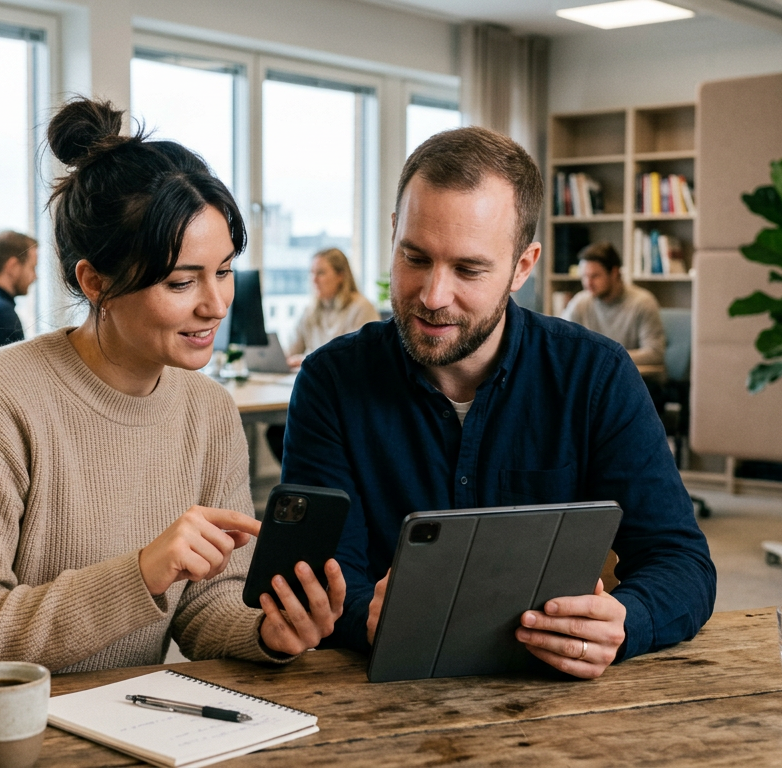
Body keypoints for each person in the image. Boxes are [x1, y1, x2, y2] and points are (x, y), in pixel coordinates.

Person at [0, 98, 346, 687]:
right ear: (94, 282)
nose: (216, 305)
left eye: (223, 271)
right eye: (180, 280)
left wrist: (264, 632)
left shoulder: (210, 411)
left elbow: (204, 605)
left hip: (101, 714)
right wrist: (139, 574)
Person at [280, 127, 715, 679]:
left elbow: (682, 561)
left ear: (523, 266)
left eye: (468, 269)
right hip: (383, 699)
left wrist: (626, 619)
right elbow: (321, 577)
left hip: (556, 704)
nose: (434, 296)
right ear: (394, 235)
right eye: (415, 257)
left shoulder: (595, 375)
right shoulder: (331, 381)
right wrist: (364, 613)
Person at [560, 242, 666, 368]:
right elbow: (561, 343)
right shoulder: (580, 302)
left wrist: (604, 357)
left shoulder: (642, 302)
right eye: (584, 276)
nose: (588, 283)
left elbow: (655, 353)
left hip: (634, 381)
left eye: (595, 276)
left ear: (614, 273)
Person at [285, 247, 380, 368]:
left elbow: (360, 359)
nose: (314, 279)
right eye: (312, 272)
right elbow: (290, 352)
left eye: (321, 273)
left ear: (340, 276)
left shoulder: (362, 308)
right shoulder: (310, 310)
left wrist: (308, 360)